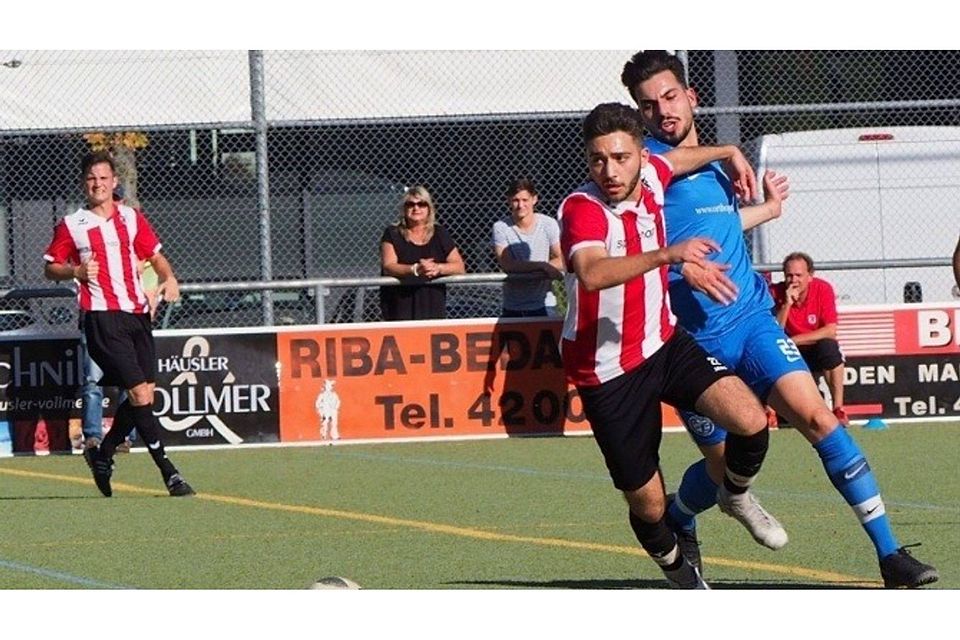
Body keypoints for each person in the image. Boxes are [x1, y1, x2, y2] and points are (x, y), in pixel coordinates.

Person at [621, 49, 938, 588]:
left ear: (691, 97)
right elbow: (638, 254)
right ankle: (679, 516)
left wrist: (765, 211)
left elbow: (714, 222)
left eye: (670, 97)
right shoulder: (643, 171)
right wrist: (680, 273)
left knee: (819, 419)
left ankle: (890, 556)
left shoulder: (720, 168)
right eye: (648, 106)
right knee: (726, 470)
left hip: (751, 323)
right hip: (692, 346)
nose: (662, 112)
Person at [558, 102, 784, 589]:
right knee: (650, 505)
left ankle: (735, 495)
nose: (609, 170)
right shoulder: (583, 208)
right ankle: (681, 577)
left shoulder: (655, 173)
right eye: (598, 159)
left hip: (663, 343)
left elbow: (678, 160)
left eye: (620, 157)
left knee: (750, 420)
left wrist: (728, 151)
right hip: (608, 373)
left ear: (641, 154)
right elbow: (593, 273)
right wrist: (670, 254)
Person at [44, 150, 194, 498]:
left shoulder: (131, 218)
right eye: (91, 179)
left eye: (103, 178)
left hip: (137, 316)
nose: (97, 184)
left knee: (146, 396)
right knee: (139, 393)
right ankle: (169, 473)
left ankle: (102, 453)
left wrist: (169, 279)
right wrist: (76, 271)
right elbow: (50, 267)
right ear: (85, 183)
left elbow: (155, 257)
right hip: (102, 318)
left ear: (114, 182)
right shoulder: (73, 224)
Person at [771, 252, 849, 426]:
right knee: (768, 354)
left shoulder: (823, 289)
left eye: (798, 275)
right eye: (789, 275)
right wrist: (787, 304)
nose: (794, 280)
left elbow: (830, 330)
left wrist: (795, 340)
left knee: (830, 348)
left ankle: (838, 409)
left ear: (810, 276)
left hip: (810, 347)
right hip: (788, 351)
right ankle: (771, 413)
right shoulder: (775, 292)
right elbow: (774, 332)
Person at [379, 186, 466, 321]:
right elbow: (389, 266)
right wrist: (415, 269)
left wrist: (438, 268)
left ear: (429, 208)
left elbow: (459, 267)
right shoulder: (392, 233)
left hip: (433, 304)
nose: (416, 208)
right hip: (400, 305)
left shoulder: (440, 233)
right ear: (404, 209)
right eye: (410, 204)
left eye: (421, 204)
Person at [491, 178, 563, 317]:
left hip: (544, 304)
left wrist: (543, 266)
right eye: (516, 200)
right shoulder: (501, 227)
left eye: (525, 200)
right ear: (509, 201)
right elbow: (508, 264)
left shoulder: (548, 224)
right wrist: (542, 266)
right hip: (513, 305)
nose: (520, 205)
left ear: (534, 199)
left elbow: (563, 259)